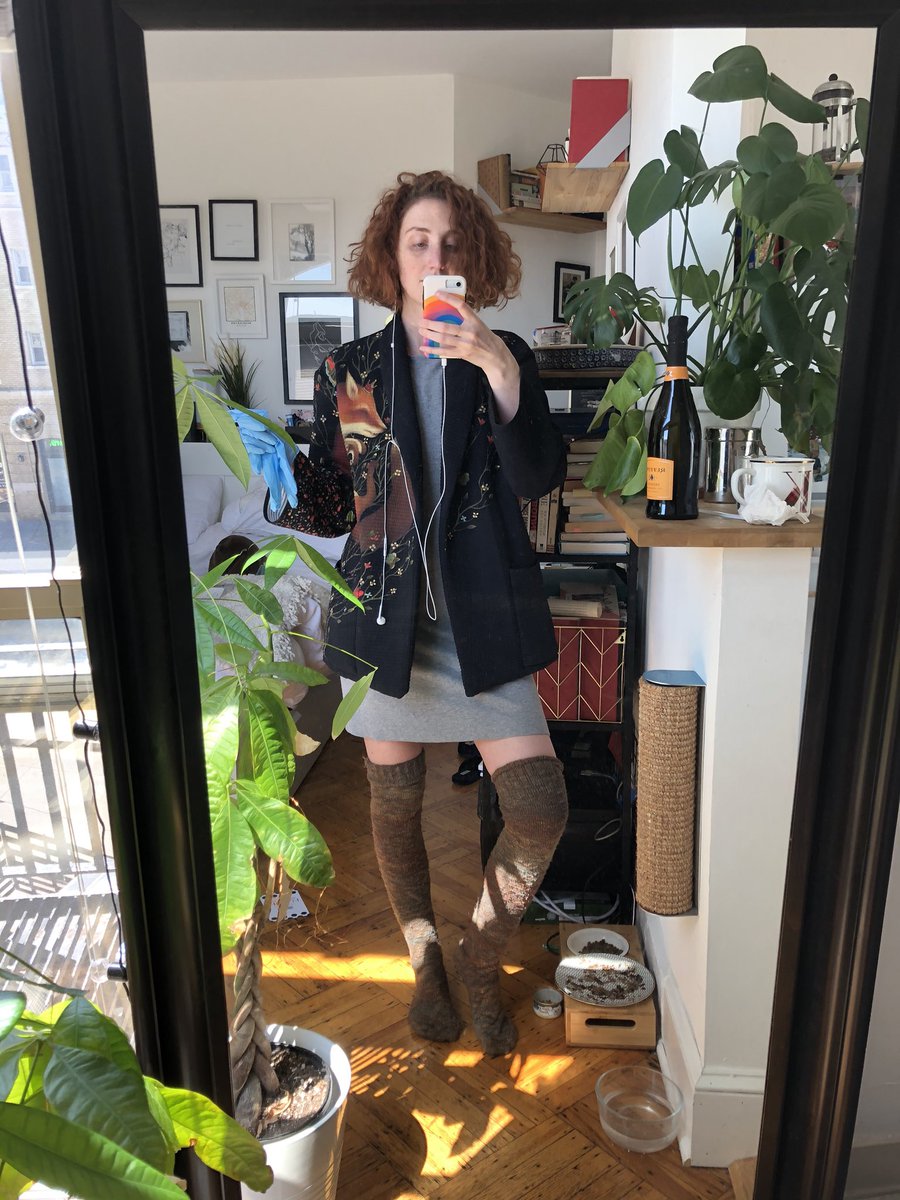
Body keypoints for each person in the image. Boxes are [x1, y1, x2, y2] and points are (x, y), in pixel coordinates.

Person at [261, 170, 569, 1056]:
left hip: (482, 616)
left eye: (451, 243)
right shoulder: (350, 369)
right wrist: (279, 466)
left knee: (540, 806)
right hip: (384, 620)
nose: (435, 258)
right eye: (418, 243)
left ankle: (479, 958)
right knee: (394, 810)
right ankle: (426, 958)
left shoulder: (505, 354)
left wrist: (497, 366)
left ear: (473, 258)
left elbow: (538, 477)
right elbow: (333, 507)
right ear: (391, 259)